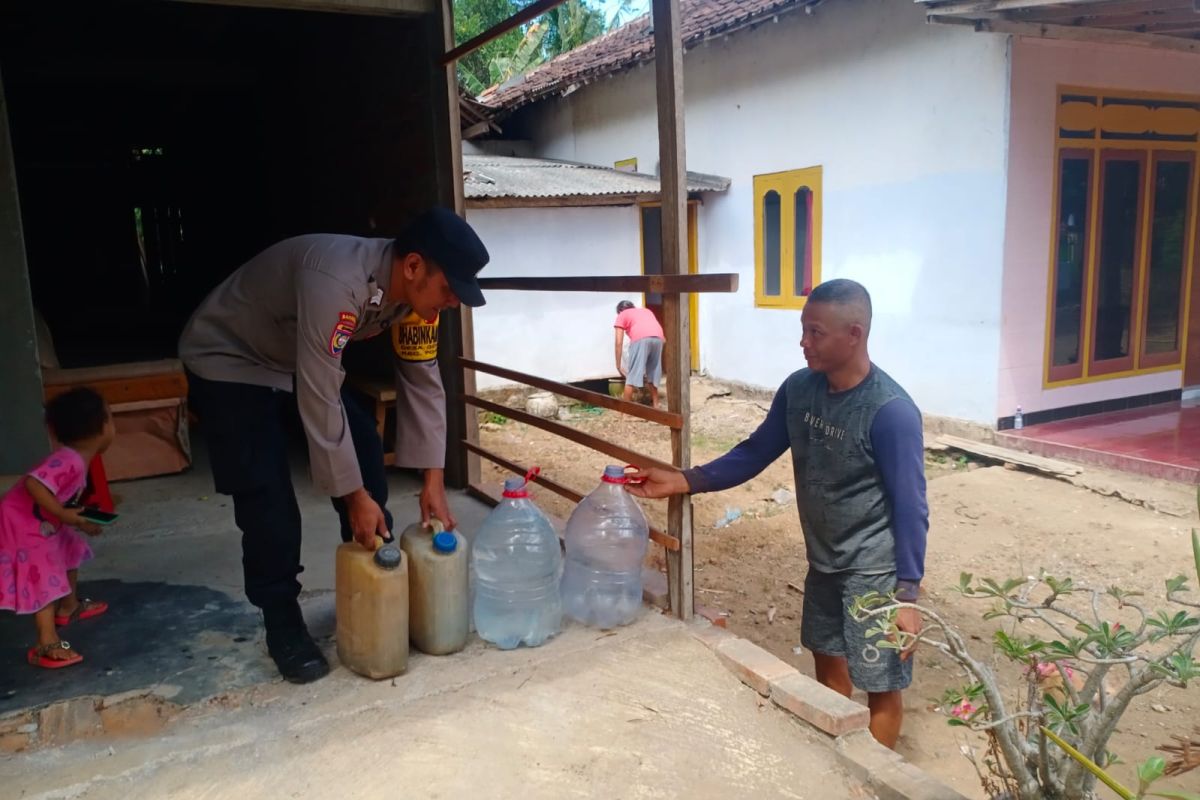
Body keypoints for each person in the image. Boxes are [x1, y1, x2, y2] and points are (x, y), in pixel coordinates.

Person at [180, 208, 489, 684]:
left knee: (365, 454)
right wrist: (354, 497)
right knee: (266, 494)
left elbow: (424, 381)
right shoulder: (336, 282)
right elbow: (321, 396)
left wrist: (433, 480)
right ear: (412, 267)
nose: (451, 303)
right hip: (229, 357)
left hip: (293, 358)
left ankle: (367, 583)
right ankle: (281, 620)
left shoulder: (416, 301)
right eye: (449, 290)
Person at [628, 279, 927, 748]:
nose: (803, 341)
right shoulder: (799, 390)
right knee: (827, 664)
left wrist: (907, 594)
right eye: (803, 330)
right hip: (824, 561)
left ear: (855, 334)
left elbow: (911, 505)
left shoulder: (890, 412)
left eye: (815, 332)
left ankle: (874, 777)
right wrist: (686, 479)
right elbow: (755, 452)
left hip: (874, 569)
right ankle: (838, 761)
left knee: (882, 684)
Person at [0, 387, 116, 669]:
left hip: (41, 519)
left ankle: (69, 606)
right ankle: (45, 641)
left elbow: (58, 495)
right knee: (42, 572)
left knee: (70, 548)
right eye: (111, 417)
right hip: (22, 522)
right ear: (101, 427)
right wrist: (64, 514)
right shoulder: (69, 460)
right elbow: (34, 484)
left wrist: (76, 519)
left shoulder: (78, 459)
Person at [613, 300, 665, 407]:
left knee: (631, 376)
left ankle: (625, 412)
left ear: (620, 311)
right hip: (659, 339)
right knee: (653, 373)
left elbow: (618, 343)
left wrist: (618, 365)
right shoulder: (646, 311)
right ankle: (656, 405)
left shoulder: (622, 314)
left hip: (641, 339)